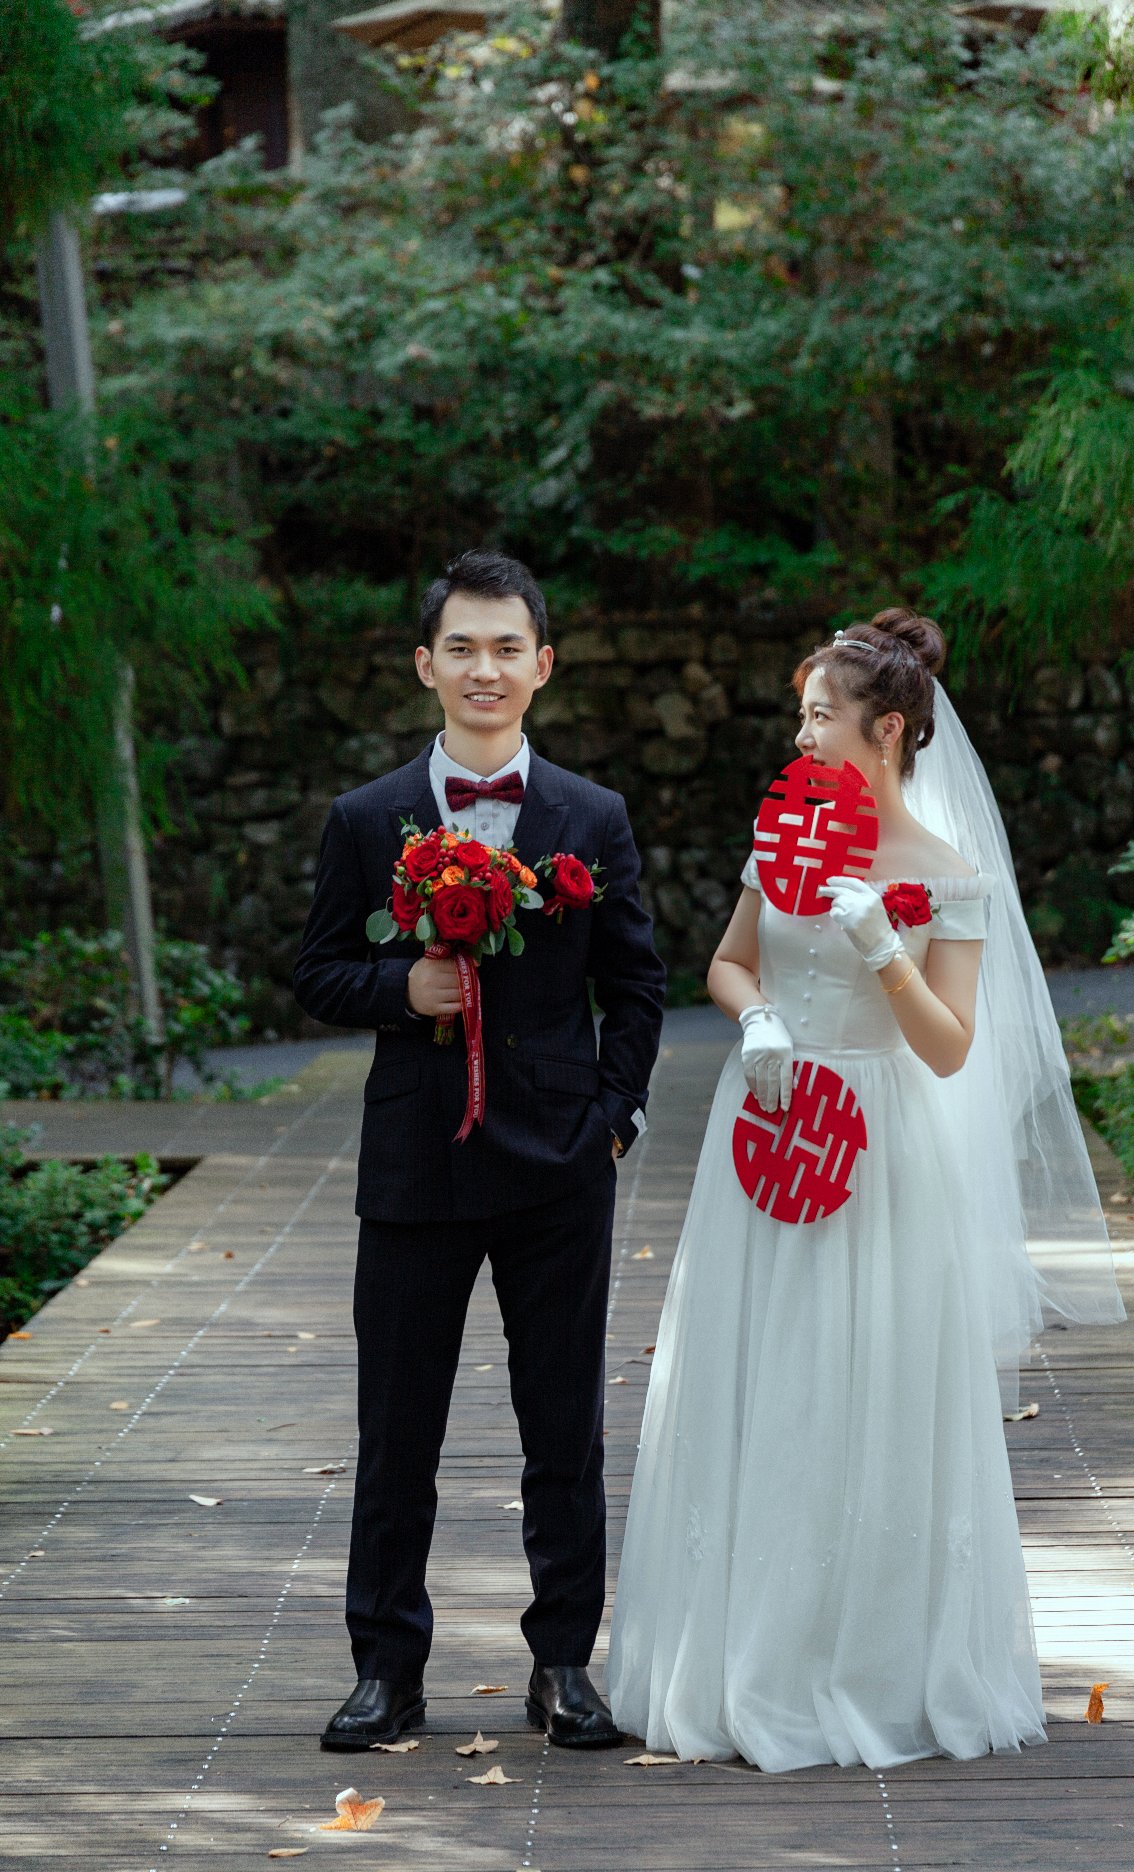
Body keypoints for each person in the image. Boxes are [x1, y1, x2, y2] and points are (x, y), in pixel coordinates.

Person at [606, 608, 1123, 1772]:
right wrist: (758, 1021)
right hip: (769, 1119)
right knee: (762, 1369)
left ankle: (870, 1660)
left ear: (885, 730)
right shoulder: (783, 836)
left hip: (881, 1140)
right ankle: (742, 1656)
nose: (800, 736)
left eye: (819, 716)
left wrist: (886, 952)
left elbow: (948, 1047)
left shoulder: (949, 878)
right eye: (800, 716)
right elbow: (730, 961)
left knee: (862, 1378)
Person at [294, 548, 666, 1752]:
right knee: (396, 1430)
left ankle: (563, 1664)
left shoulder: (593, 818)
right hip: (415, 1163)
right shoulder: (367, 819)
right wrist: (400, 990)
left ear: (542, 665)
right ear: (426, 665)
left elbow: (638, 986)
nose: (484, 668)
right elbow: (317, 971)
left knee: (564, 1428)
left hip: (558, 1162)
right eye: (462, 647)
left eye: (508, 647)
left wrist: (613, 1120)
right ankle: (384, 1670)